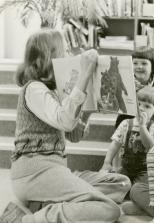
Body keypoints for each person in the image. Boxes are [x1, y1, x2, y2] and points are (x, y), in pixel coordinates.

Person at [1, 29, 131, 223]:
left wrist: (90, 109)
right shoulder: (33, 89)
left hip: (56, 170)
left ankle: (46, 203)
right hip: (34, 173)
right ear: (47, 57)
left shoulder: (53, 91)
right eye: (64, 52)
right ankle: (25, 220)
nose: (69, 56)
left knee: (121, 183)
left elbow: (73, 134)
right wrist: (85, 74)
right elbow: (65, 120)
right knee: (109, 209)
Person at [100, 86, 154, 185]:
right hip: (126, 168)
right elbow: (115, 144)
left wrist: (142, 126)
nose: (141, 108)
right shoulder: (126, 123)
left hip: (145, 170)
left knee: (146, 185)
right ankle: (125, 188)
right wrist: (107, 162)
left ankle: (133, 190)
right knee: (115, 182)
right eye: (138, 104)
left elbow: (151, 147)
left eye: (147, 106)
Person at [114, 46, 154, 128]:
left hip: (150, 125)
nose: (139, 67)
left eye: (144, 63)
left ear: (153, 66)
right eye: (135, 63)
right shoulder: (125, 83)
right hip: (126, 124)